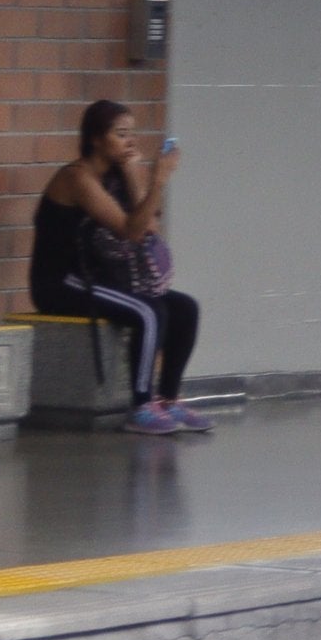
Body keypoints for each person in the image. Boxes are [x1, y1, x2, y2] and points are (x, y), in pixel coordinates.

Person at [29, 102, 206, 434]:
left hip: (100, 279)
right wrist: (158, 181)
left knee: (184, 308)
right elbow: (130, 230)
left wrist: (133, 176)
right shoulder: (77, 177)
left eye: (133, 135)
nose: (131, 142)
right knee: (149, 311)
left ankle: (168, 399)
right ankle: (141, 406)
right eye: (121, 134)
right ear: (96, 139)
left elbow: (147, 227)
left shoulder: (115, 175)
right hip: (61, 282)